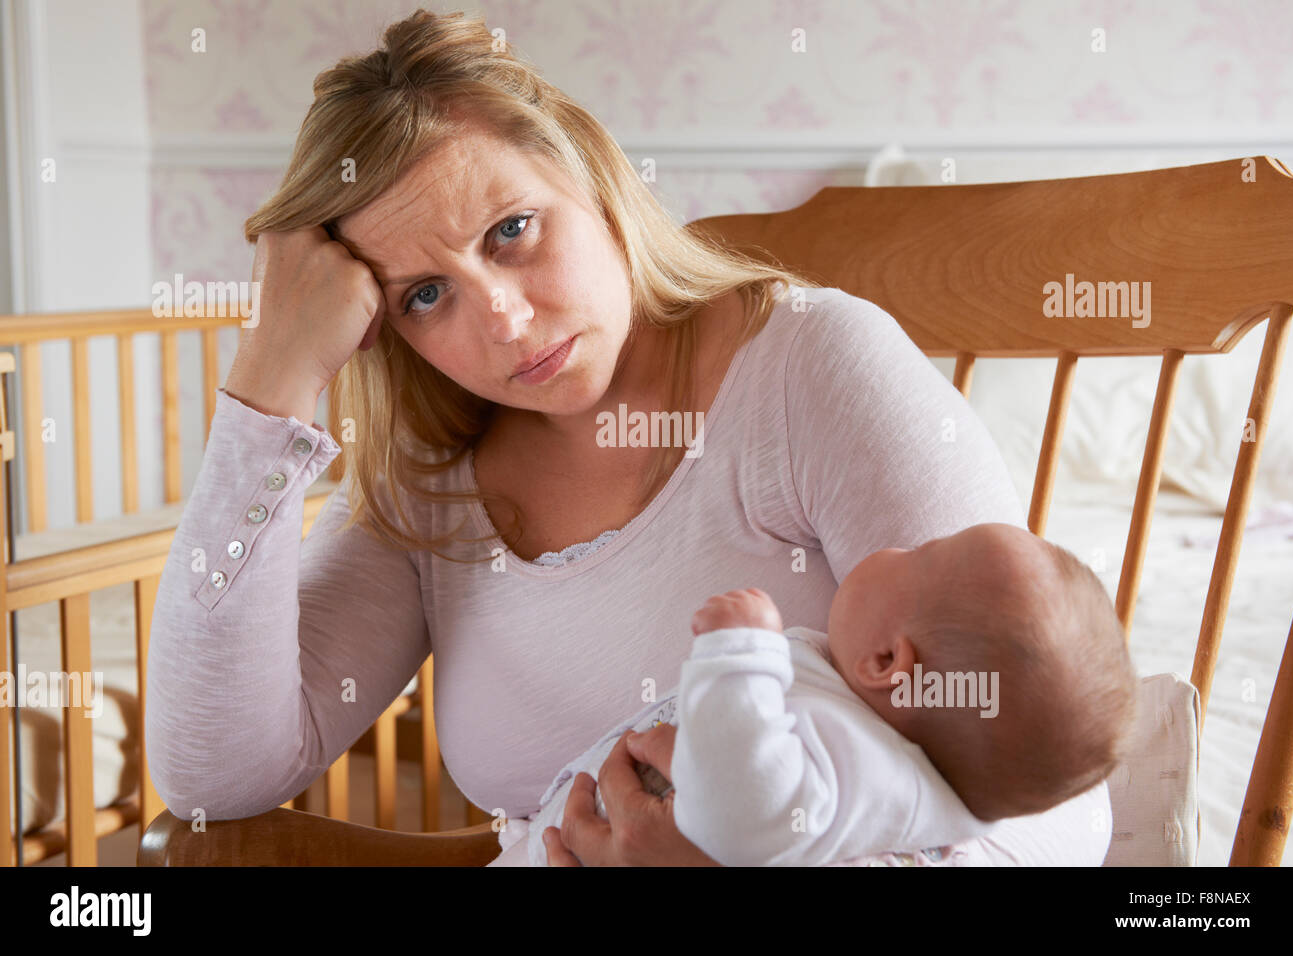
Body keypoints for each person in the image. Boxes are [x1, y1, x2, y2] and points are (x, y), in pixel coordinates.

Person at [144, 9, 1115, 866]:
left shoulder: (813, 368)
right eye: (423, 295)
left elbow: (1058, 819)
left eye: (511, 229)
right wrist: (270, 381)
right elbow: (212, 772)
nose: (505, 323)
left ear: (594, 174)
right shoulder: (426, 479)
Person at [500, 523, 1139, 866]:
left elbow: (736, 812)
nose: (891, 542)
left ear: (887, 661)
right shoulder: (878, 752)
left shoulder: (859, 762)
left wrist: (739, 654)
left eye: (918, 553)